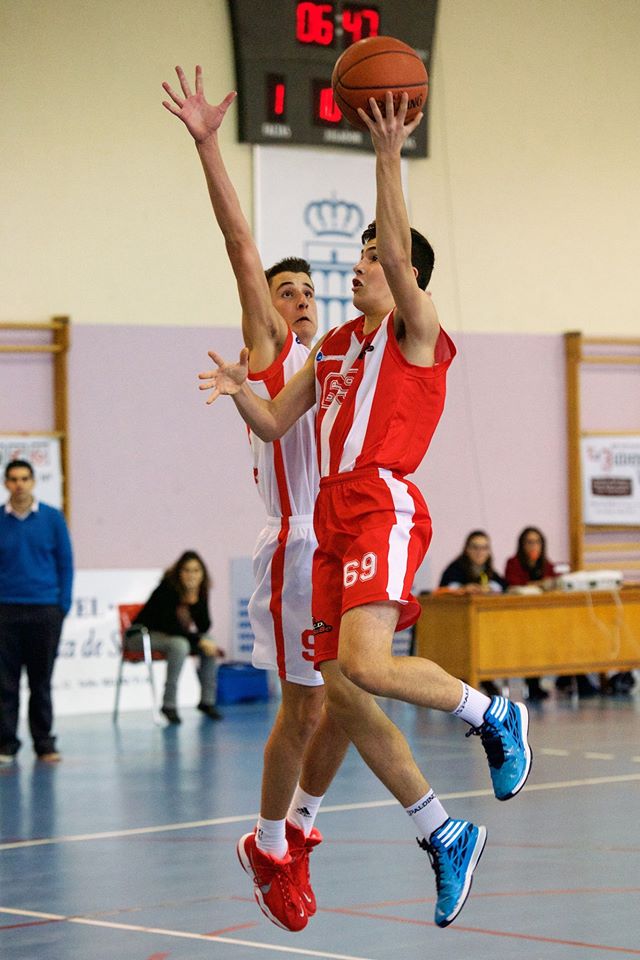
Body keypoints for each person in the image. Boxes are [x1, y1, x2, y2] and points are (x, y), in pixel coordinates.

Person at [199, 92, 533, 929]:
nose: (353, 270)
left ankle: (494, 713)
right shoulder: (338, 348)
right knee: (343, 689)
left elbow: (392, 239)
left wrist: (387, 155)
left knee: (369, 672)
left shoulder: (414, 330)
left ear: (403, 272)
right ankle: (441, 830)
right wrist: (244, 393)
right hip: (324, 519)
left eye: (368, 260)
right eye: (353, 259)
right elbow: (278, 422)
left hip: (378, 499)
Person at [163, 65, 351, 931]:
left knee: (356, 700)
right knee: (306, 706)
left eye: (309, 293)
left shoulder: (337, 361)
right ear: (264, 312)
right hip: (297, 544)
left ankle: (298, 831)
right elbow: (242, 244)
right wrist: (208, 145)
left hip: (344, 539)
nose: (299, 303)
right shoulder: (273, 352)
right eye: (286, 294)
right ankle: (269, 841)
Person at [0, 459, 73, 765]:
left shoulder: (53, 519)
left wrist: (61, 606)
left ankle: (44, 744)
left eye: (24, 478)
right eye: (13, 479)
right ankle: (6, 744)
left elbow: (65, 564)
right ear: (6, 483)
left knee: (41, 681)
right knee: (5, 682)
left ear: (33, 482)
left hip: (45, 611)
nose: (19, 484)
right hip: (5, 611)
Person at [504, 527, 598, 699]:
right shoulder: (514, 563)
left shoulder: (546, 564)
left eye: (537, 542)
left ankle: (571, 677)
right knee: (533, 638)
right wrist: (540, 584)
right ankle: (534, 683)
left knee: (569, 633)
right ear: (522, 545)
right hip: (523, 620)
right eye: (529, 542)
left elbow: (556, 586)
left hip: (547, 618)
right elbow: (512, 586)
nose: (534, 546)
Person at [132, 550, 223, 723]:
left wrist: (195, 600)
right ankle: (169, 704)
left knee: (210, 642)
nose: (191, 575)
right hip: (141, 636)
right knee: (180, 644)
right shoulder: (167, 588)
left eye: (196, 571)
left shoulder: (200, 590)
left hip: (169, 636)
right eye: (187, 570)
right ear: (178, 572)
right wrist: (198, 640)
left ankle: (207, 701)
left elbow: (204, 626)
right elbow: (170, 626)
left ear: (203, 573)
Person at [439, 530, 507, 696]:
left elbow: (502, 586)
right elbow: (443, 588)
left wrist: (489, 589)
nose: (479, 552)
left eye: (484, 548)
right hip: (456, 626)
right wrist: (463, 589)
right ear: (467, 549)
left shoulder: (488, 570)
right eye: (475, 547)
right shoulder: (455, 568)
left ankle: (487, 678)